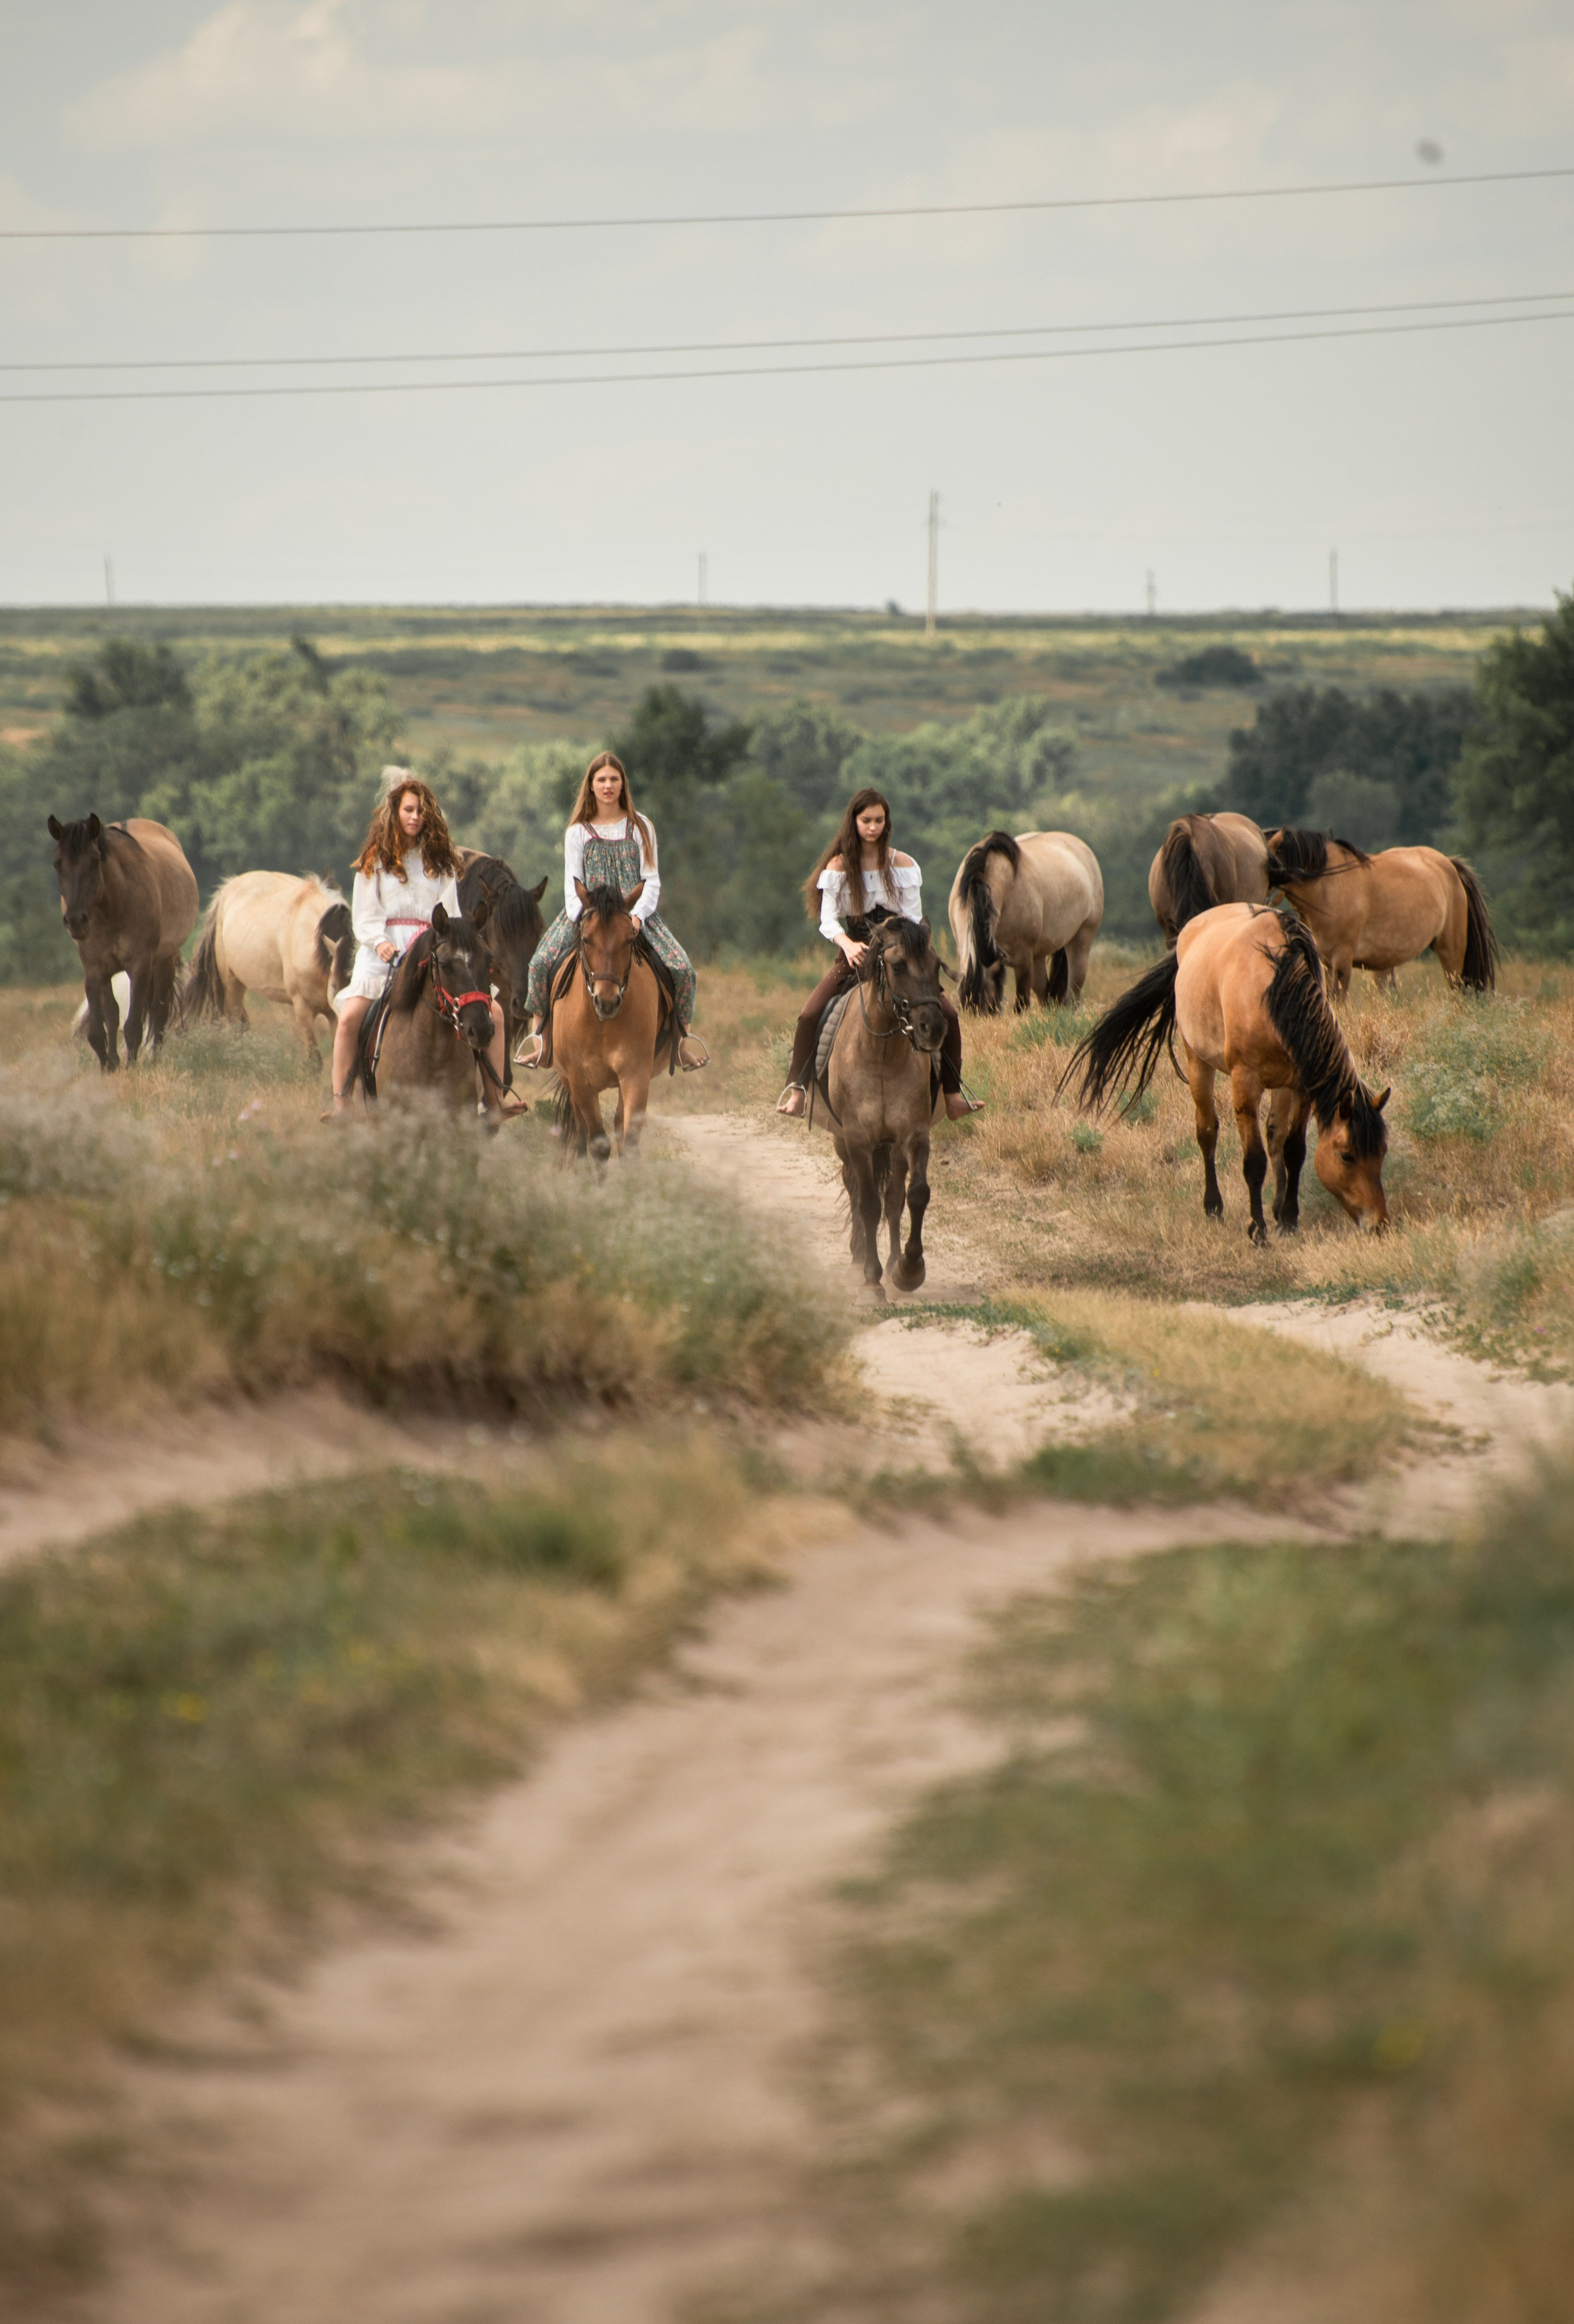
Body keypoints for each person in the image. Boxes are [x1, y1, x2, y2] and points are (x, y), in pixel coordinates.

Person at [776, 786, 982, 1121]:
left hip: (901, 956)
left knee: (950, 1015)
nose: (873, 827)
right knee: (809, 1015)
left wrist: (910, 952)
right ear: (854, 822)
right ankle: (798, 1090)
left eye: (879, 820)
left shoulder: (903, 864)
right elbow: (827, 920)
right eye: (866, 820)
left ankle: (953, 1095)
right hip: (854, 956)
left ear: (887, 823)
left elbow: (915, 920)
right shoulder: (840, 866)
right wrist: (846, 943)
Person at [324, 768, 506, 1116]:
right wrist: (379, 943)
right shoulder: (374, 859)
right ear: (395, 812)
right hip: (383, 946)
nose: (415, 817)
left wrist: (451, 940)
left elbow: (450, 913)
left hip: (433, 945)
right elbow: (364, 914)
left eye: (421, 811)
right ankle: (342, 1103)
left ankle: (496, 1099)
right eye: (409, 810)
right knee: (349, 1018)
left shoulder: (441, 863)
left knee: (493, 1012)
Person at [517, 750, 706, 1070]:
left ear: (623, 785)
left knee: (684, 970)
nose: (608, 785)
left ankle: (681, 1043)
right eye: (601, 779)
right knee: (538, 965)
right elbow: (571, 886)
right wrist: (585, 919)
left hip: (632, 916)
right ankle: (542, 1042)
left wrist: (637, 916)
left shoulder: (641, 827)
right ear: (590, 786)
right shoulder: (577, 831)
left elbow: (652, 880)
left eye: (614, 779)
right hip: (588, 915)